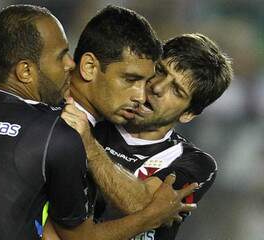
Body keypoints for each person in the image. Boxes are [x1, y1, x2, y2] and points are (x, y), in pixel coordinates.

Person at [0, 4, 197, 240]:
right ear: (89, 67)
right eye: (130, 80)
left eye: (146, 82)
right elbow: (72, 236)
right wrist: (150, 217)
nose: (142, 96)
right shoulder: (59, 131)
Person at [63, 33, 233, 240]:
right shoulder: (93, 119)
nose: (158, 87)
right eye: (160, 70)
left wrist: (89, 147)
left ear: (188, 114)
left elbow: (142, 206)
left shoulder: (195, 163)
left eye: (177, 91)